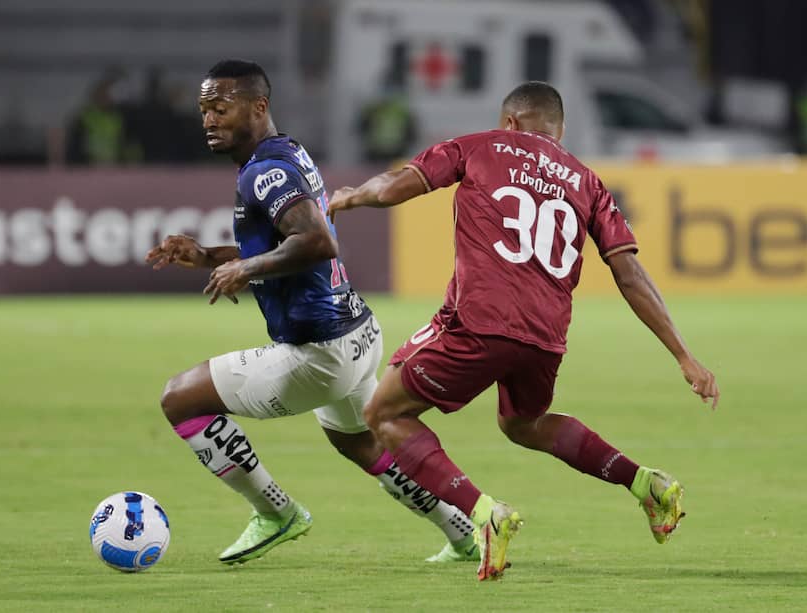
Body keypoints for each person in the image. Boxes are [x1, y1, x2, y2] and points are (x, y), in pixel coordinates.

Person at [327, 81, 720, 581]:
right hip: (545, 338)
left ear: (509, 122)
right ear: (559, 129)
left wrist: (351, 196)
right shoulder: (587, 181)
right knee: (522, 424)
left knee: (383, 412)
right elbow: (630, 274)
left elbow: (391, 187)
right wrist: (684, 356)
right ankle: (647, 484)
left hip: (479, 323)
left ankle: (483, 512)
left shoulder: (479, 146)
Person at [145, 59, 477, 565]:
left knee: (179, 399)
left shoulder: (266, 171)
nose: (209, 119)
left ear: (259, 106)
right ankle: (460, 530)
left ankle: (276, 513)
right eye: (204, 109)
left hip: (318, 352)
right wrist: (211, 257)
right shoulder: (288, 153)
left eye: (221, 107)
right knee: (360, 444)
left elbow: (317, 242)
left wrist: (247, 270)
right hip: (358, 334)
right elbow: (293, 241)